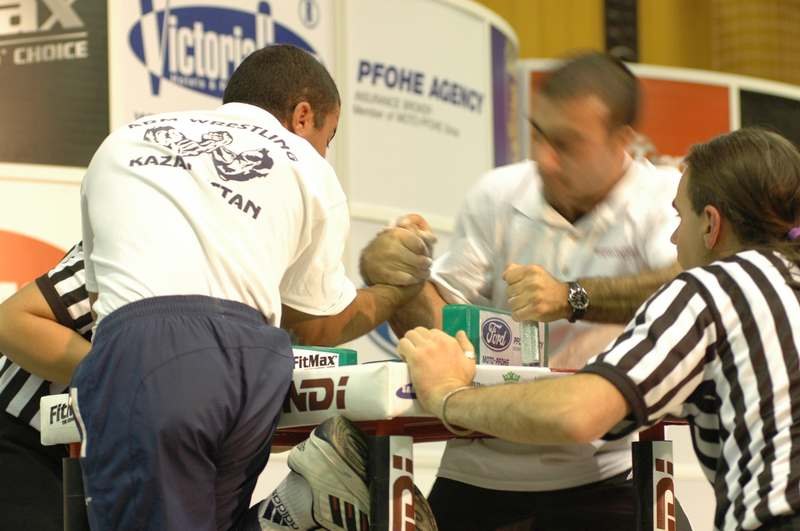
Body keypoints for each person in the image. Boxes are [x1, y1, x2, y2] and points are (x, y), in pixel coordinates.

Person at [70, 43, 431, 531]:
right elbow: (321, 326)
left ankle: (305, 502)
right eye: (330, 135)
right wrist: (398, 289)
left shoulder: (124, 140)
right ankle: (299, 506)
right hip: (257, 361)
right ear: (304, 115)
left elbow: (99, 299)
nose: (325, 149)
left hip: (149, 351)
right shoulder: (308, 166)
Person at [397, 127, 800, 531]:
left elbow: (577, 415)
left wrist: (448, 393)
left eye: (680, 218)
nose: (675, 238)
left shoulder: (713, 287)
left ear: (711, 225)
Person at [361, 51, 686, 530]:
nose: (544, 158)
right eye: (538, 134)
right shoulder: (497, 193)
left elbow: (685, 287)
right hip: (480, 466)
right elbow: (438, 325)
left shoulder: (662, 194)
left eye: (568, 143)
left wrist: (571, 296)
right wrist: (396, 272)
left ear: (622, 142)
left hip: (605, 469)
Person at [0, 244, 91, 531]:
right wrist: (139, 379)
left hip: (79, 451)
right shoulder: (149, 246)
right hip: (28, 439)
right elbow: (12, 323)